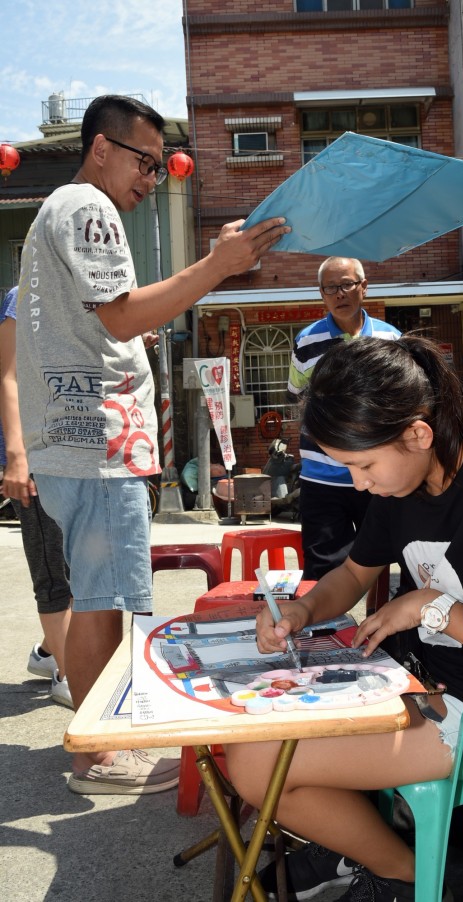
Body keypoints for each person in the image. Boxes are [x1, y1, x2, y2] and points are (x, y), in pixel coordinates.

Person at [225, 335, 463, 902]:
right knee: (252, 733)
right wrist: (302, 610)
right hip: (422, 685)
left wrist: (430, 607)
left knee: (256, 766)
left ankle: (406, 872)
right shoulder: (406, 481)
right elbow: (350, 576)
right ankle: (363, 844)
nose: (360, 486)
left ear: (418, 433)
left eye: (363, 466)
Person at [15, 94, 289, 795]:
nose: (152, 178)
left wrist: (210, 261)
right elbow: (121, 317)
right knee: (105, 599)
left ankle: (98, 744)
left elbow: (111, 319)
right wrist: (218, 265)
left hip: (79, 438)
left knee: (95, 597)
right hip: (98, 441)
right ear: (101, 148)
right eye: (144, 161)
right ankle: (101, 756)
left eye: (159, 166)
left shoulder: (62, 211)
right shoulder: (86, 208)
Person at [287, 257, 400, 579]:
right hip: (322, 475)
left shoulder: (392, 339)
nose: (340, 294)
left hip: (380, 474)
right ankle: (325, 630)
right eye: (330, 288)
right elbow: (296, 392)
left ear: (363, 287)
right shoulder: (307, 341)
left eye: (347, 284)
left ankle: (385, 627)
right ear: (321, 294)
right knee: (322, 567)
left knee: (389, 562)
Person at [0, 286, 72, 707]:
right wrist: (18, 456)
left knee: (76, 568)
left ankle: (50, 653)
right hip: (36, 454)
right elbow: (7, 376)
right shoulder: (24, 294)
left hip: (72, 452)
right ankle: (67, 674)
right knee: (54, 572)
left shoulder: (78, 293)